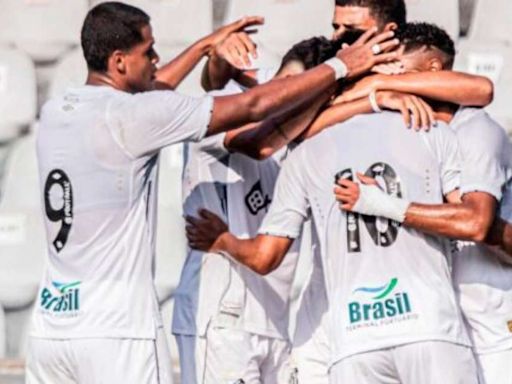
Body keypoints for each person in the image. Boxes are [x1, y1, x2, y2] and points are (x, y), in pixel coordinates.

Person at [25, 1, 399, 383]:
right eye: (148, 52)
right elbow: (255, 110)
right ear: (120, 62)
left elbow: (151, 95)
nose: (157, 58)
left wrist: (205, 46)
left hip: (53, 324)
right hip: (117, 330)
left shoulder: (60, 109)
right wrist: (343, 69)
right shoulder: (136, 116)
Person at [334, 22, 512, 384]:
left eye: (397, 68)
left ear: (433, 70)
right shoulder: (413, 136)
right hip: (439, 329)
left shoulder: (475, 130)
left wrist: (384, 204)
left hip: (496, 331)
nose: (387, 76)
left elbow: (476, 223)